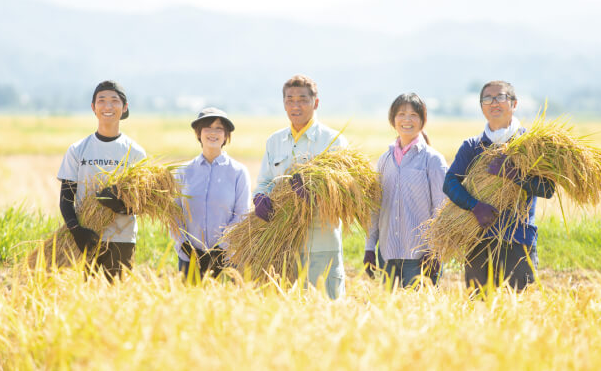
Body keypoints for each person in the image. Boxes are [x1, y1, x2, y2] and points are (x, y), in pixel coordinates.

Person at [443, 80, 555, 291]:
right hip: (478, 238)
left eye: (500, 97)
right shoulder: (473, 146)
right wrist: (474, 206)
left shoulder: (530, 145)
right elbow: (450, 183)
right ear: (481, 106)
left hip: (518, 239)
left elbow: (547, 189)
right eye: (487, 99)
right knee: (479, 307)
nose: (493, 103)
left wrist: (513, 175)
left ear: (514, 103)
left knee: (517, 309)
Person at [253, 74, 347, 299]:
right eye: (290, 100)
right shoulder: (274, 141)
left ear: (316, 103)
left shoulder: (333, 141)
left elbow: (344, 192)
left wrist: (316, 195)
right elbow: (264, 181)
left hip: (321, 246)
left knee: (326, 312)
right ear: (284, 104)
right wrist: (259, 197)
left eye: (302, 100)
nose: (296, 105)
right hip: (282, 246)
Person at [57, 80, 146, 279]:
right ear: (93, 108)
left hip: (122, 240)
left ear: (124, 108)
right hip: (84, 239)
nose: (108, 106)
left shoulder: (135, 153)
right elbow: (66, 199)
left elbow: (145, 204)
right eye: (101, 100)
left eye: (114, 101)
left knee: (117, 303)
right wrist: (76, 231)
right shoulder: (77, 149)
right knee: (84, 303)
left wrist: (122, 205)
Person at [363, 93, 448, 287]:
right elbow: (375, 207)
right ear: (393, 119)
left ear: (422, 120)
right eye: (401, 114)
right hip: (387, 254)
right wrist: (369, 247)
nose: (407, 120)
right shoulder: (385, 160)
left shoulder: (433, 160)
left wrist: (434, 251)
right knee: (389, 315)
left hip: (420, 257)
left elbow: (441, 210)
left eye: (413, 115)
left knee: (419, 314)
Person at [174, 107, 251, 279]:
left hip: (227, 259)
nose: (213, 133)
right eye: (207, 128)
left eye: (219, 128)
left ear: (226, 136)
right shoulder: (183, 172)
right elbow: (174, 214)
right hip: (190, 259)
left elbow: (241, 215)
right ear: (198, 133)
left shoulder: (238, 172)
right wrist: (185, 245)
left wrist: (221, 248)